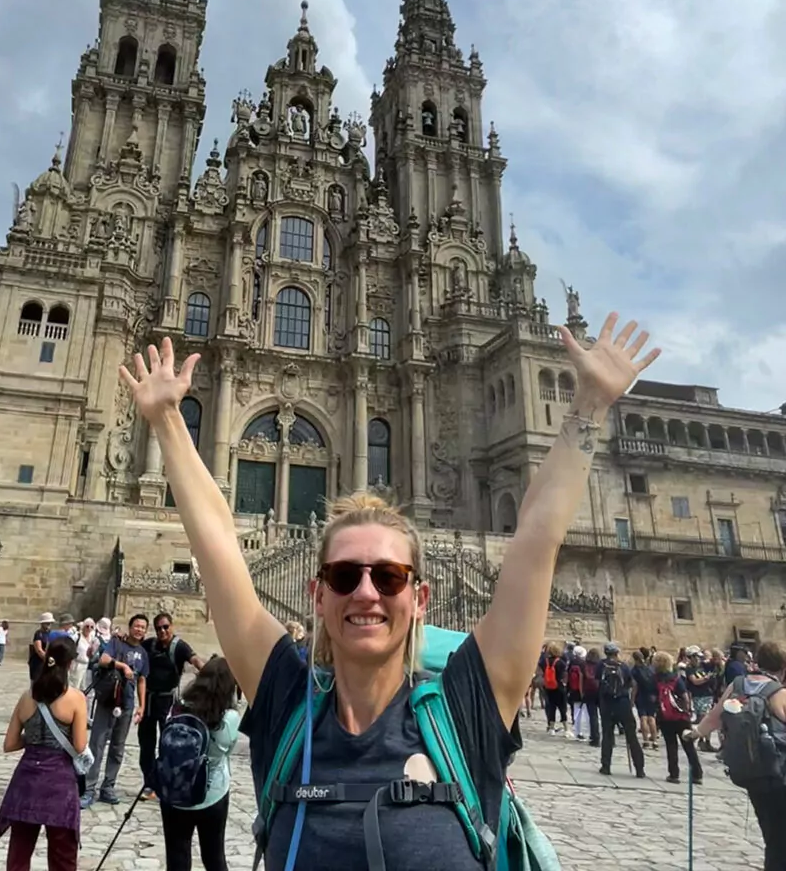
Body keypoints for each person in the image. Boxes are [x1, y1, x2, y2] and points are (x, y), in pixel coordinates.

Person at [118, 317, 659, 870]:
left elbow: (537, 537)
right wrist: (167, 420)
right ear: (318, 594)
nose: (367, 592)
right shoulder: (286, 704)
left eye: (390, 576)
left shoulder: (467, 707)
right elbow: (217, 546)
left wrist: (589, 405)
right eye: (345, 576)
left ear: (419, 597)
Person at [690, 640, 786, 870]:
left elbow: (714, 717)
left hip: (750, 771)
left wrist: (694, 733)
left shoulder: (739, 685)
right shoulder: (778, 693)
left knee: (771, 834)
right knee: (780, 840)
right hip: (779, 773)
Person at [0, 635, 88, 870]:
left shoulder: (27, 697)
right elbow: (79, 746)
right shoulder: (76, 699)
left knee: (20, 850)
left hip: (27, 779)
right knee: (62, 854)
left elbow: (10, 743)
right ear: (70, 664)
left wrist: (36, 739)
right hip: (59, 781)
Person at [159, 656, 241, 871]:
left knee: (177, 856)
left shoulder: (179, 706)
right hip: (212, 793)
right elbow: (227, 751)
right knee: (214, 856)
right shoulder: (229, 717)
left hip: (175, 789)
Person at [82, 612, 149, 809]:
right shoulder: (116, 643)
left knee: (118, 748)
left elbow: (142, 679)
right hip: (107, 701)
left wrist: (142, 705)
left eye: (143, 627)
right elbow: (103, 659)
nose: (139, 630)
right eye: (136, 626)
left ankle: (108, 786)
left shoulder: (144, 654)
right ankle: (88, 788)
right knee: (97, 744)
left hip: (127, 704)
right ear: (130, 627)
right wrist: (122, 666)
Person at [139, 612, 205, 801]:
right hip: (149, 700)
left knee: (168, 745)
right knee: (146, 745)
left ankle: (167, 785)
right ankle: (149, 785)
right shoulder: (150, 645)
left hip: (168, 702)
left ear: (172, 626)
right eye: (159, 628)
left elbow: (195, 660)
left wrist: (209, 673)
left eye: (166, 627)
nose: (162, 631)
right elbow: (133, 647)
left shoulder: (179, 646)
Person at [651, 650, 702, 785]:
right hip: (681, 717)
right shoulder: (676, 678)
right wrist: (687, 711)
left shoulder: (654, 679)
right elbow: (685, 696)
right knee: (688, 745)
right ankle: (697, 774)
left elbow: (653, 698)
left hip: (665, 717)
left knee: (671, 746)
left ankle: (674, 774)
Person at [597, 642, 645, 778]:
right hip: (623, 703)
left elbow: (597, 683)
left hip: (607, 704)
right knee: (632, 737)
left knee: (607, 735)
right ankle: (640, 769)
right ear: (616, 653)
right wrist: (630, 701)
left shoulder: (601, 665)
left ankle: (605, 766)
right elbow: (631, 683)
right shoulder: (623, 666)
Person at [538, 641, 568, 736]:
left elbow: (539, 670)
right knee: (562, 708)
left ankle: (551, 728)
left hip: (548, 687)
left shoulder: (544, 661)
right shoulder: (561, 663)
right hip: (558, 687)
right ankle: (566, 729)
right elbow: (564, 675)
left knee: (551, 707)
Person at [631, 649, 658, 750]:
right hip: (651, 696)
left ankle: (646, 741)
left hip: (640, 696)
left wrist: (632, 700)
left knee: (643, 718)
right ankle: (655, 741)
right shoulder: (650, 668)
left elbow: (635, 686)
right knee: (652, 718)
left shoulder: (634, 670)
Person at [71, 619, 97, 691]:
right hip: (76, 664)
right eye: (87, 626)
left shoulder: (92, 638)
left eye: (91, 627)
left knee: (82, 688)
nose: (89, 628)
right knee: (74, 686)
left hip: (85, 665)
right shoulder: (77, 637)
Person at [29, 614, 54, 681]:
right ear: (42, 623)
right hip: (38, 662)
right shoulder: (39, 634)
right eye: (47, 623)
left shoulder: (51, 633)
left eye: (50, 623)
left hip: (47, 662)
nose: (49, 625)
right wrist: (47, 659)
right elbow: (39, 650)